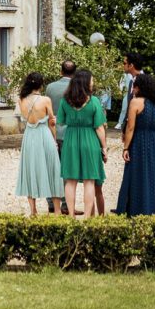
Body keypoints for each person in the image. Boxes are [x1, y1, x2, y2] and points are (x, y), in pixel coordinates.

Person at [114, 72, 155, 217]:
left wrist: (126, 147)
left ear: (140, 87)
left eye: (134, 87)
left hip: (139, 141)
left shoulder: (136, 102)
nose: (133, 90)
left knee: (137, 174)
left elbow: (130, 127)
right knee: (153, 176)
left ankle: (135, 209)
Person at [58, 68, 107, 217]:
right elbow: (99, 127)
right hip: (90, 140)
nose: (93, 83)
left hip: (71, 139)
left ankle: (71, 215)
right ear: (86, 82)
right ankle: (87, 216)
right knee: (89, 180)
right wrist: (104, 147)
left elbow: (61, 121)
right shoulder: (94, 101)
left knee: (70, 181)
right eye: (92, 80)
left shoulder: (65, 101)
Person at [15, 72, 64, 215]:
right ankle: (57, 210)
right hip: (44, 135)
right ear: (41, 84)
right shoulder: (45, 100)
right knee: (53, 168)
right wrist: (54, 140)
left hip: (29, 136)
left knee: (30, 169)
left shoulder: (21, 99)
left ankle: (33, 211)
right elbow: (52, 122)